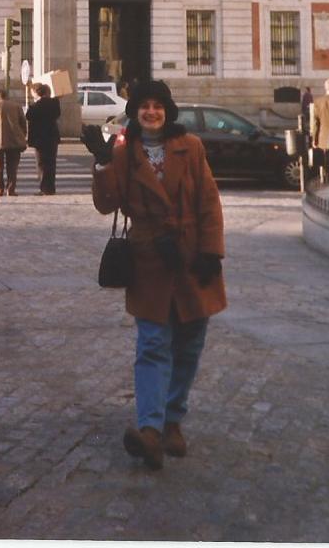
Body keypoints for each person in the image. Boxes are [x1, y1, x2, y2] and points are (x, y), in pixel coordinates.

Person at [82, 79, 226, 472]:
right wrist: (101, 162)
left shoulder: (191, 147)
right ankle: (149, 430)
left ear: (168, 110)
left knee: (190, 343)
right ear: (134, 112)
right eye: (143, 105)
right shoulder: (125, 152)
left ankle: (173, 420)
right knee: (152, 344)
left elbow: (209, 201)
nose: (151, 112)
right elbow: (106, 204)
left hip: (192, 255)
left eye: (157, 105)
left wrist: (212, 251)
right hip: (149, 258)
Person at [26, 82, 61, 195]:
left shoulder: (36, 106)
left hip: (40, 139)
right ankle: (51, 187)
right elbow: (57, 114)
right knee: (51, 163)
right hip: (52, 137)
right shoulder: (54, 103)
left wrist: (30, 105)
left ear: (37, 93)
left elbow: (28, 116)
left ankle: (44, 188)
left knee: (42, 164)